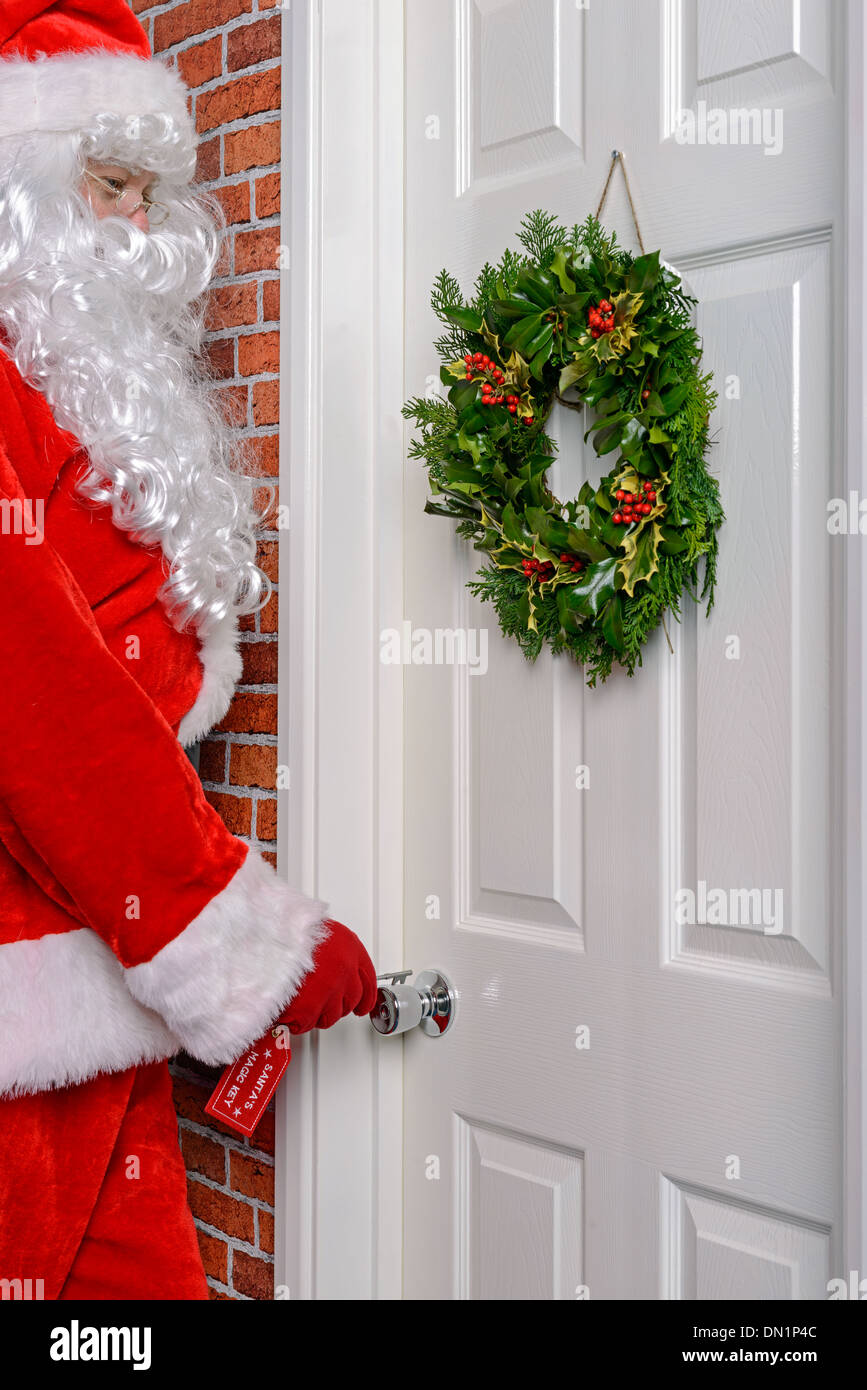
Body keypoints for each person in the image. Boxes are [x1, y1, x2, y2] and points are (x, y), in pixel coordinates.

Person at [0, 1, 378, 1300]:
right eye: (110, 188)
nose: (141, 233)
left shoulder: (64, 388)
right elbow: (41, 710)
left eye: (150, 195)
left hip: (104, 976)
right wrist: (245, 941)